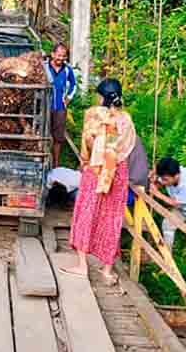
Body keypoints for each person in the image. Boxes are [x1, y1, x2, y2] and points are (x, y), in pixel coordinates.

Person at [58, 78, 136, 283]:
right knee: (112, 217)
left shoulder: (94, 116)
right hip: (117, 172)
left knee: (87, 211)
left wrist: (85, 161)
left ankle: (82, 266)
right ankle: (107, 270)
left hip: (97, 170)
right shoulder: (126, 119)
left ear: (102, 97)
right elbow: (126, 147)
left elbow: (88, 145)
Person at [45, 44, 78, 168]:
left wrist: (69, 97)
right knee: (44, 135)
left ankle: (56, 165)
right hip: (44, 107)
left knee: (58, 138)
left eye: (64, 56)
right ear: (53, 54)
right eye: (59, 55)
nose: (61, 58)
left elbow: (74, 85)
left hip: (60, 108)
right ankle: (43, 161)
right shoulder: (44, 67)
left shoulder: (67, 69)